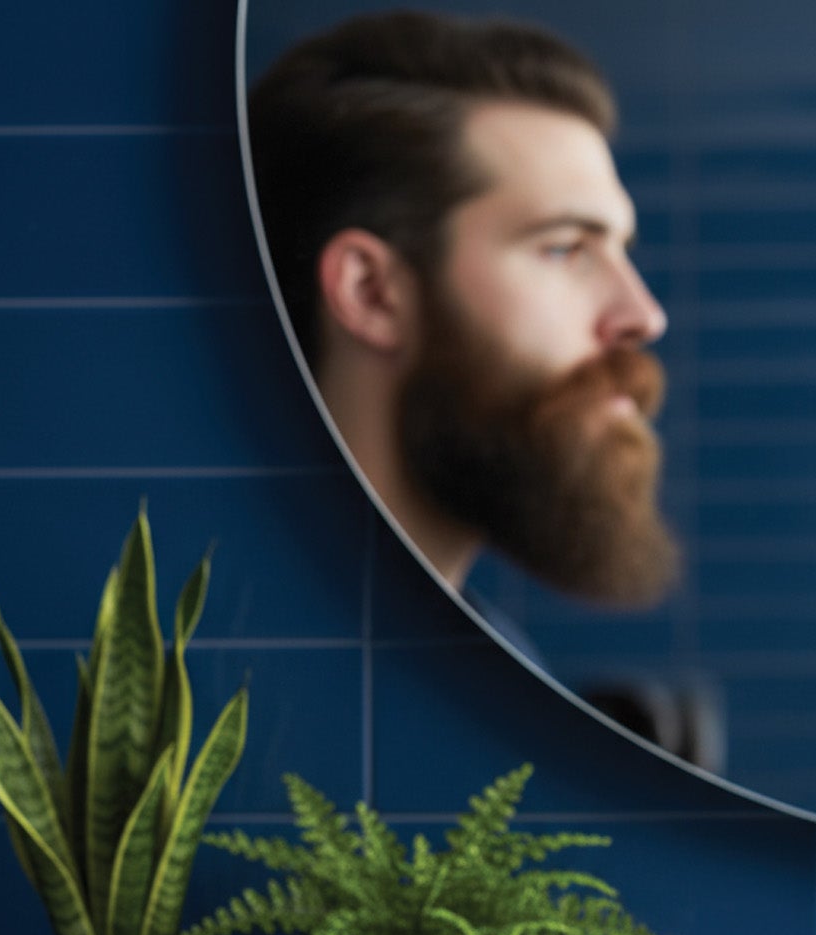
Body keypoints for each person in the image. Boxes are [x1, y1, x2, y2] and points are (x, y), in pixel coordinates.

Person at [248, 8, 681, 609]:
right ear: (371, 292)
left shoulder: (485, 675)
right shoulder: (209, 679)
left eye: (620, 250)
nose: (643, 316)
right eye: (564, 248)